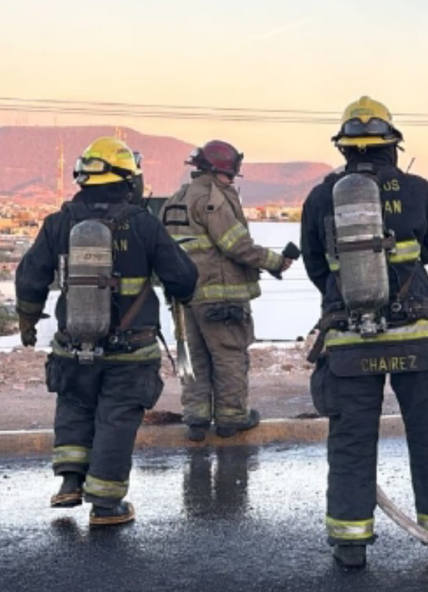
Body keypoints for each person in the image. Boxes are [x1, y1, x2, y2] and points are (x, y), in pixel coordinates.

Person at [301, 96, 428, 568]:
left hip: (351, 341)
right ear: (392, 145)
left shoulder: (319, 198)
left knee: (351, 441)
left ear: (345, 148)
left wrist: (348, 295)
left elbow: (315, 267)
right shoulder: (422, 191)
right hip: (419, 339)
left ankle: (350, 546)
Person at [16, 137, 198, 526]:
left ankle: (69, 481)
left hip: (72, 346)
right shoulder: (144, 224)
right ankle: (106, 505)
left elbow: (30, 277)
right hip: (129, 354)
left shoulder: (59, 222)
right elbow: (183, 279)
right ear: (128, 180)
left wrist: (28, 322)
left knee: (75, 407)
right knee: (116, 418)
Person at [160, 141, 291, 441]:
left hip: (185, 300)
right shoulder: (212, 200)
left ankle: (196, 419)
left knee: (195, 359)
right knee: (229, 356)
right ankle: (231, 418)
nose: (232, 181)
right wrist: (274, 262)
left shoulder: (175, 201)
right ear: (220, 171)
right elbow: (236, 245)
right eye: (231, 175)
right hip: (220, 297)